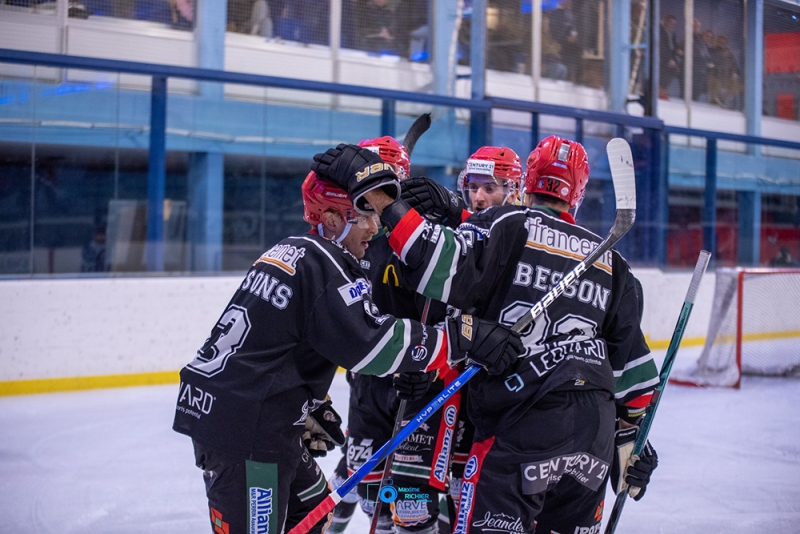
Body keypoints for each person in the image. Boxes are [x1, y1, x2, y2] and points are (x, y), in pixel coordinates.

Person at [310, 135, 660, 533]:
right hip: (591, 435)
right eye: (473, 188)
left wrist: (385, 202)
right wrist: (633, 442)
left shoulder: (506, 225)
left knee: (428, 509)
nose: (477, 197)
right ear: (577, 194)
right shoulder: (611, 261)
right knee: (404, 503)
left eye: (488, 188)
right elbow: (636, 379)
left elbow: (433, 262)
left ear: (522, 185)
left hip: (517, 424)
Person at [172, 168, 522, 534]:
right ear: (330, 218)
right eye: (364, 216)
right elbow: (372, 344)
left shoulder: (289, 250)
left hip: (246, 410)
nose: (375, 228)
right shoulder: (326, 264)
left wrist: (302, 403)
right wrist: (460, 336)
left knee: (314, 509)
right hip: (248, 429)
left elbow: (269, 339)